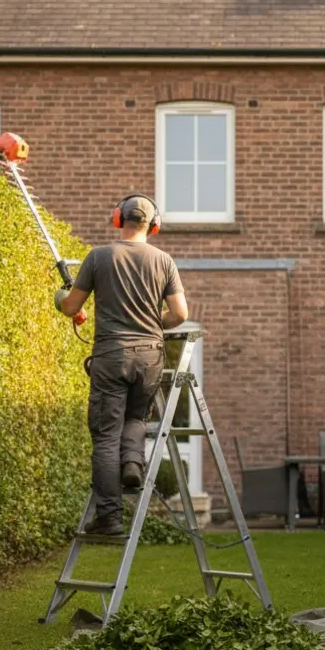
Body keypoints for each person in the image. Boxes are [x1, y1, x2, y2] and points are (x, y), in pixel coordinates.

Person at [56, 194, 188, 536]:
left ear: (118, 219)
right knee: (136, 418)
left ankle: (110, 518)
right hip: (149, 357)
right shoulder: (165, 261)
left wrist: (61, 297)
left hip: (111, 356)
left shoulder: (98, 257)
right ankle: (132, 462)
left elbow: (72, 307)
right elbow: (180, 315)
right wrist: (151, 322)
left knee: (104, 437)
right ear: (153, 225)